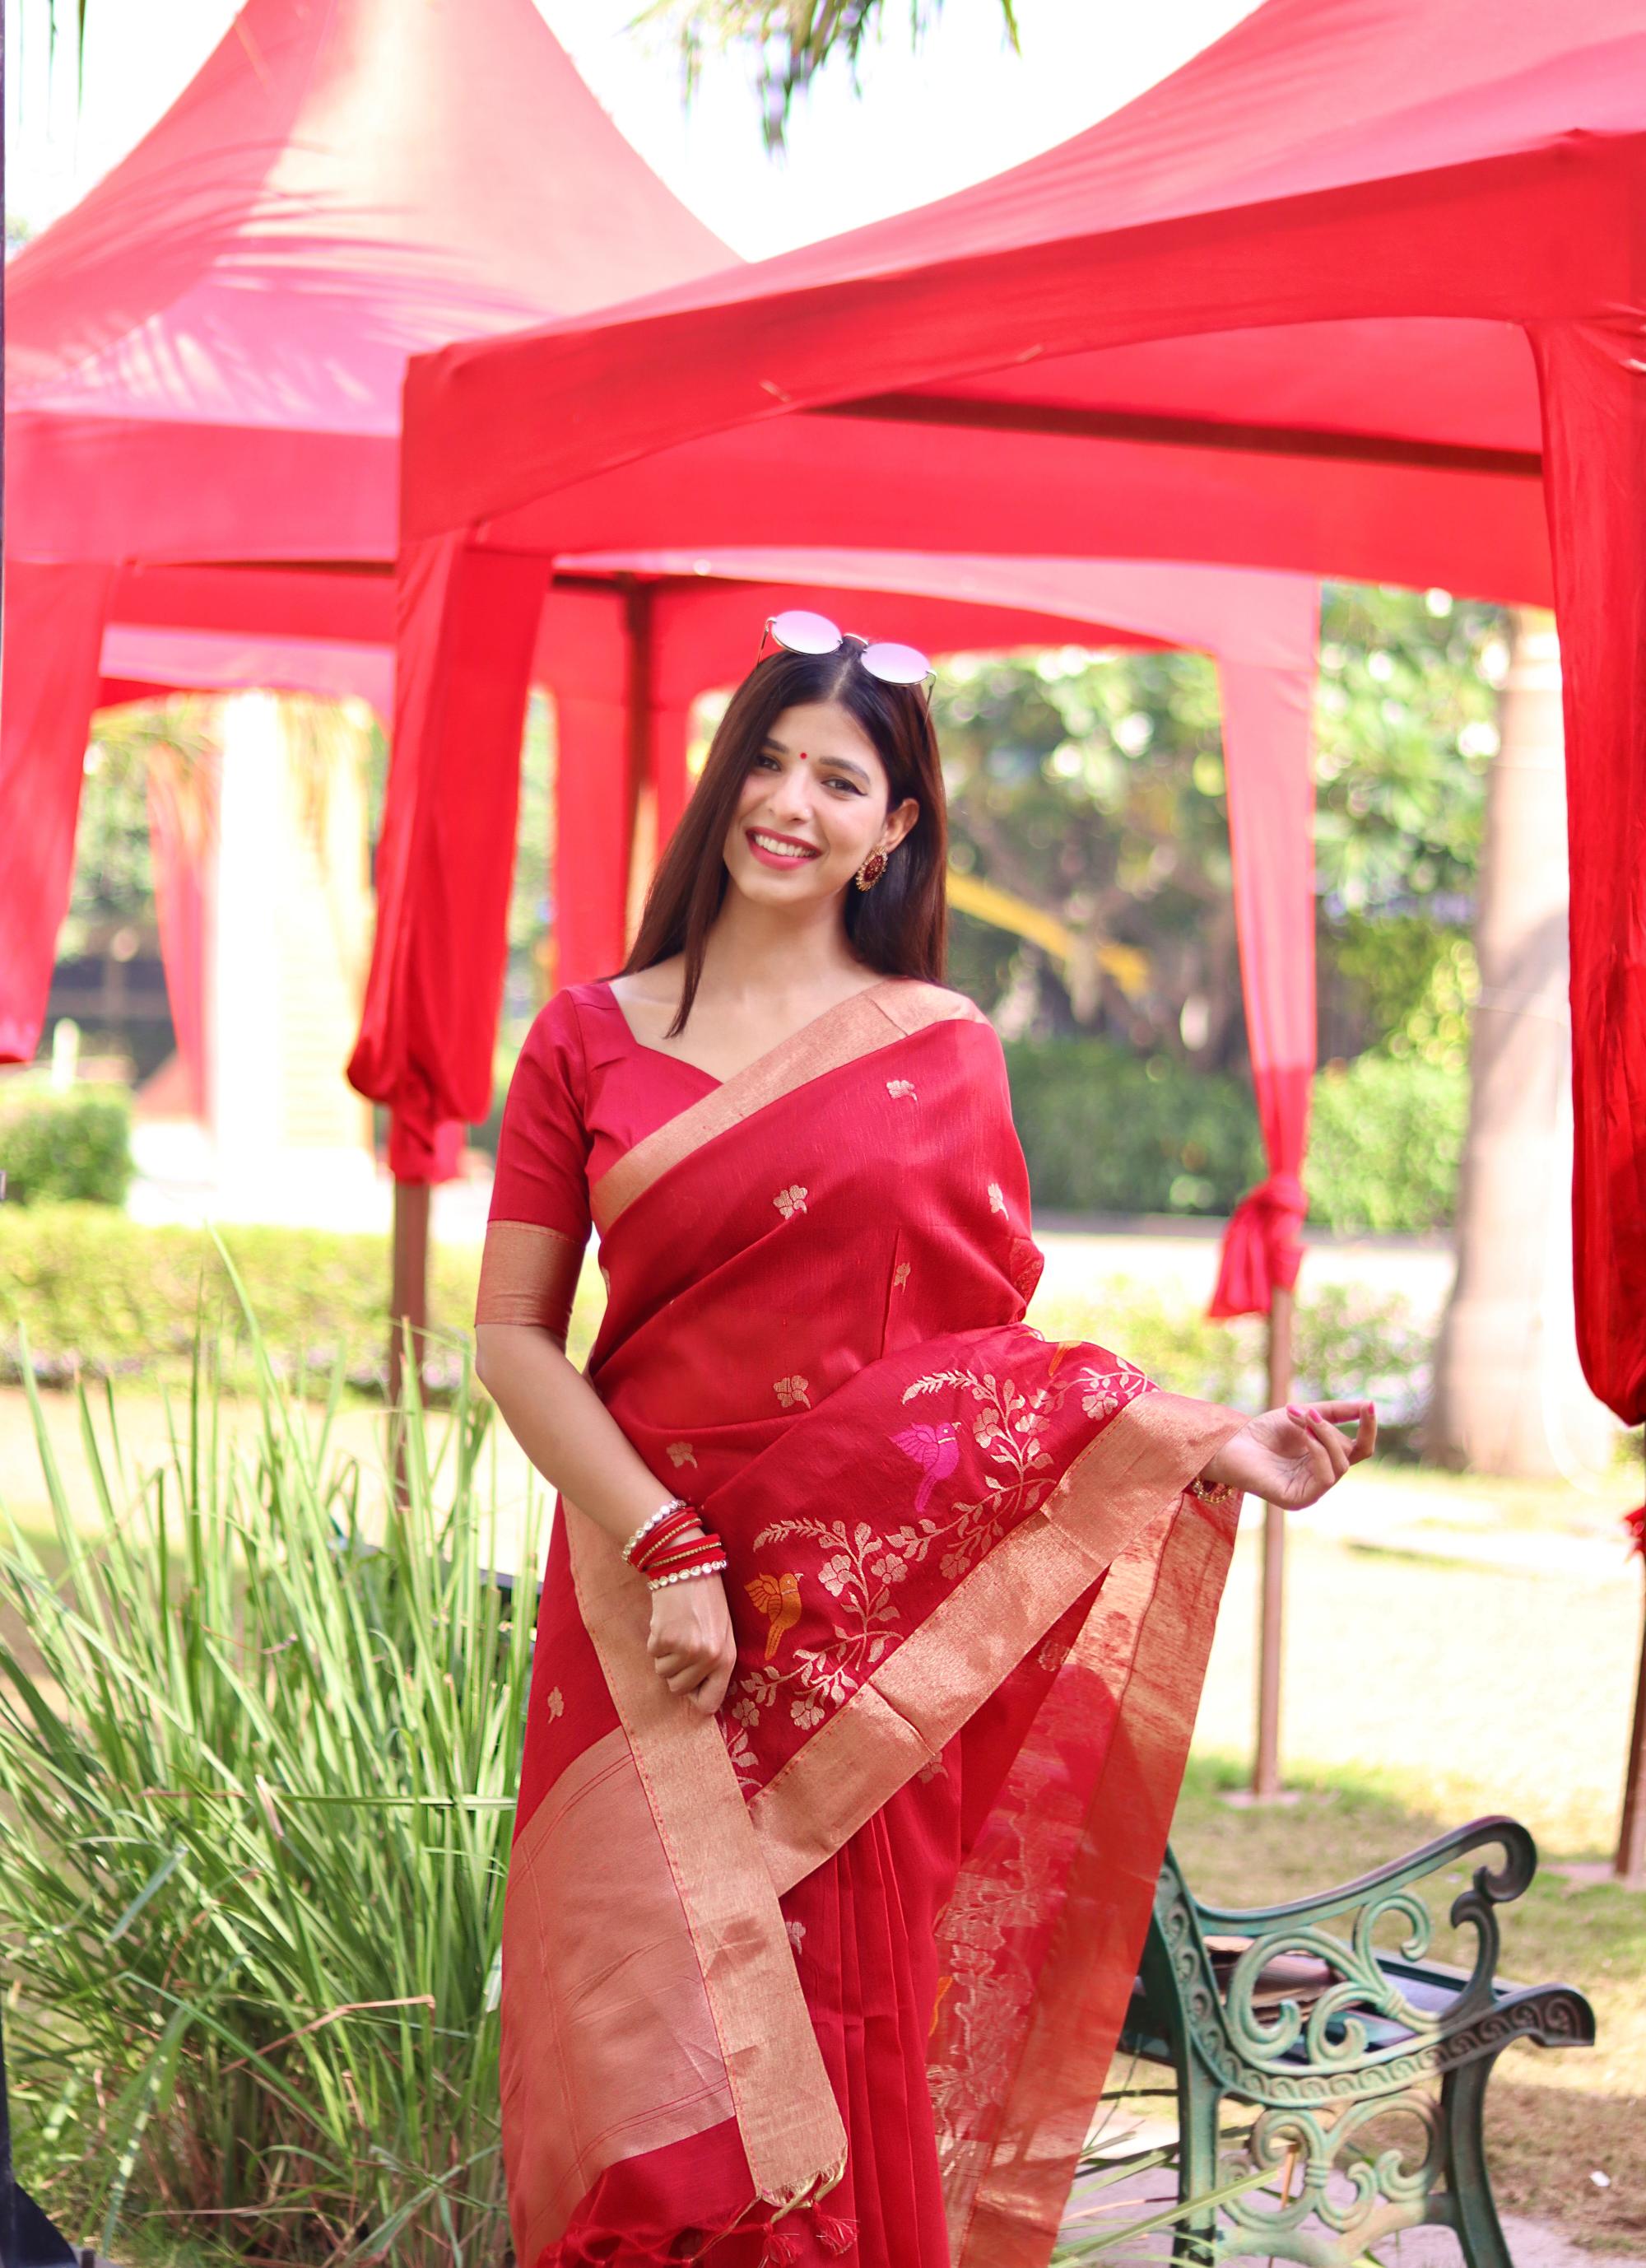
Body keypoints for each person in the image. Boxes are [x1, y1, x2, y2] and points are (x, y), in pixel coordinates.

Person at [473, 612, 1374, 2268]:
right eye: (769, 756)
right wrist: (665, 1545)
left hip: (839, 1641)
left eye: (841, 776)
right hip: (637, 1613)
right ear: (721, 774)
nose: (791, 799)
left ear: (895, 828)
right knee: (638, 2081)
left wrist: (1202, 1442)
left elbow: (982, 1367)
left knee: (821, 2043)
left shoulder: (936, 1049)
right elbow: (511, 1339)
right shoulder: (585, 1037)